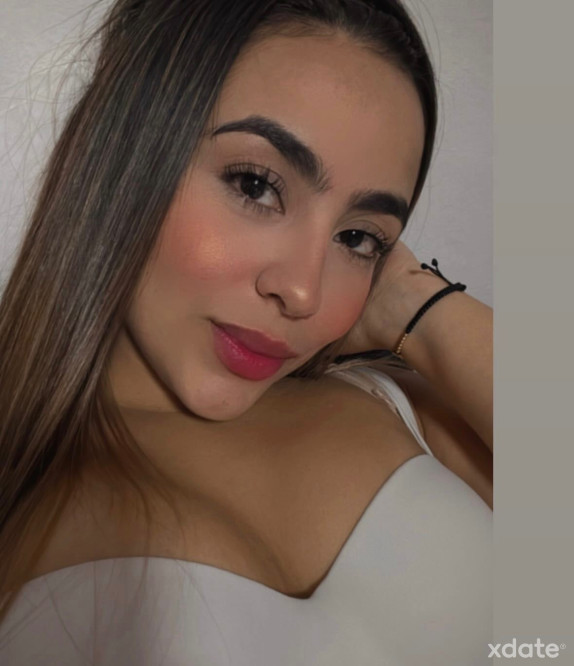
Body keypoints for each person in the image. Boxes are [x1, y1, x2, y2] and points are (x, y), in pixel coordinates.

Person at [0, 0, 493, 663]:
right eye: (256, 186)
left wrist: (416, 306)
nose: (304, 292)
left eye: (358, 238)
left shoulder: (395, 401)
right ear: (119, 154)